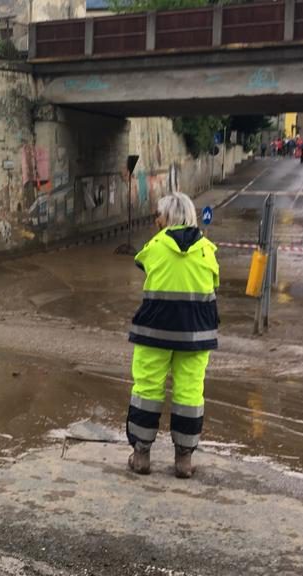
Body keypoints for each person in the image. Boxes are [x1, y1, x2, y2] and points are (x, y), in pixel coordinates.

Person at [126, 192, 219, 479]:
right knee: (190, 391)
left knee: (147, 389)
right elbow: (214, 280)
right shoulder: (207, 250)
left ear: (167, 218)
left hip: (154, 331)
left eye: (159, 214)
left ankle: (141, 455)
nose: (156, 219)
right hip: (196, 334)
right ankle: (184, 460)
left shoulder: (154, 246)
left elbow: (142, 264)